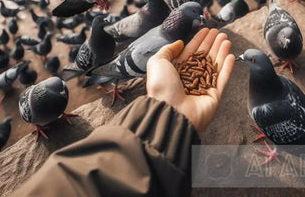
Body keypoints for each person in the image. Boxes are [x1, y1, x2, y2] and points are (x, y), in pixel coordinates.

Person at [12, 28, 235, 197]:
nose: (65, 89)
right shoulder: (30, 105)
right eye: (60, 89)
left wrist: (164, 113)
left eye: (61, 87)